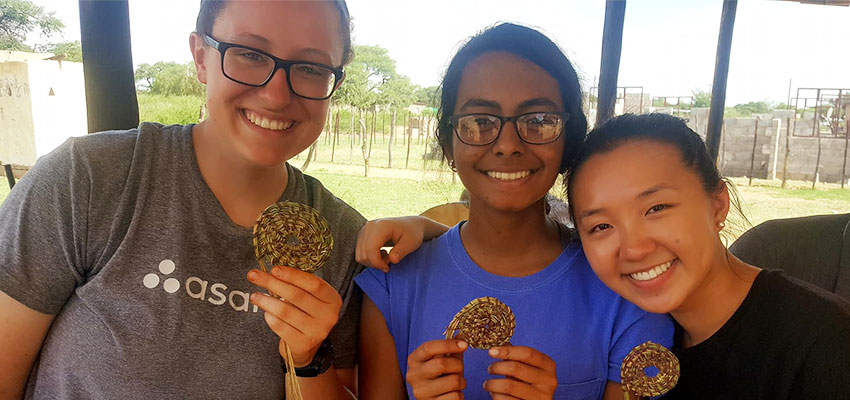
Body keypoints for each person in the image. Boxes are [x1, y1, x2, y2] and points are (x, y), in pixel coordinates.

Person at [0, 1, 404, 398]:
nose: (277, 94)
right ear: (200, 57)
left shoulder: (343, 240)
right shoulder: (87, 179)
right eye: (249, 54)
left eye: (311, 68)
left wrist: (310, 357)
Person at [353, 24, 673, 400]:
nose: (507, 145)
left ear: (568, 140)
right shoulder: (393, 284)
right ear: (448, 142)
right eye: (479, 122)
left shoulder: (628, 294)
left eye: (538, 121)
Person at [565, 113, 850, 399]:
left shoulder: (825, 342)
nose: (634, 249)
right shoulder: (630, 334)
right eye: (601, 226)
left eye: (657, 208)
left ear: (717, 206)